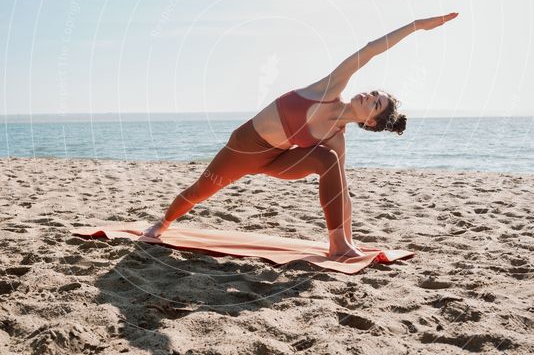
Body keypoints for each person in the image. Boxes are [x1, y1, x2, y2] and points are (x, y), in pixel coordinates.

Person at [143, 13, 458, 259]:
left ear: (371, 123)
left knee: (328, 160)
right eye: (374, 92)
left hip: (277, 160)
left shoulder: (337, 137)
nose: (368, 95)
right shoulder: (329, 89)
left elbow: (341, 192)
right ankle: (162, 225)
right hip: (245, 147)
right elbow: (370, 51)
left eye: (375, 103)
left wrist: (348, 238)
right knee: (200, 190)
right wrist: (416, 26)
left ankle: (337, 244)